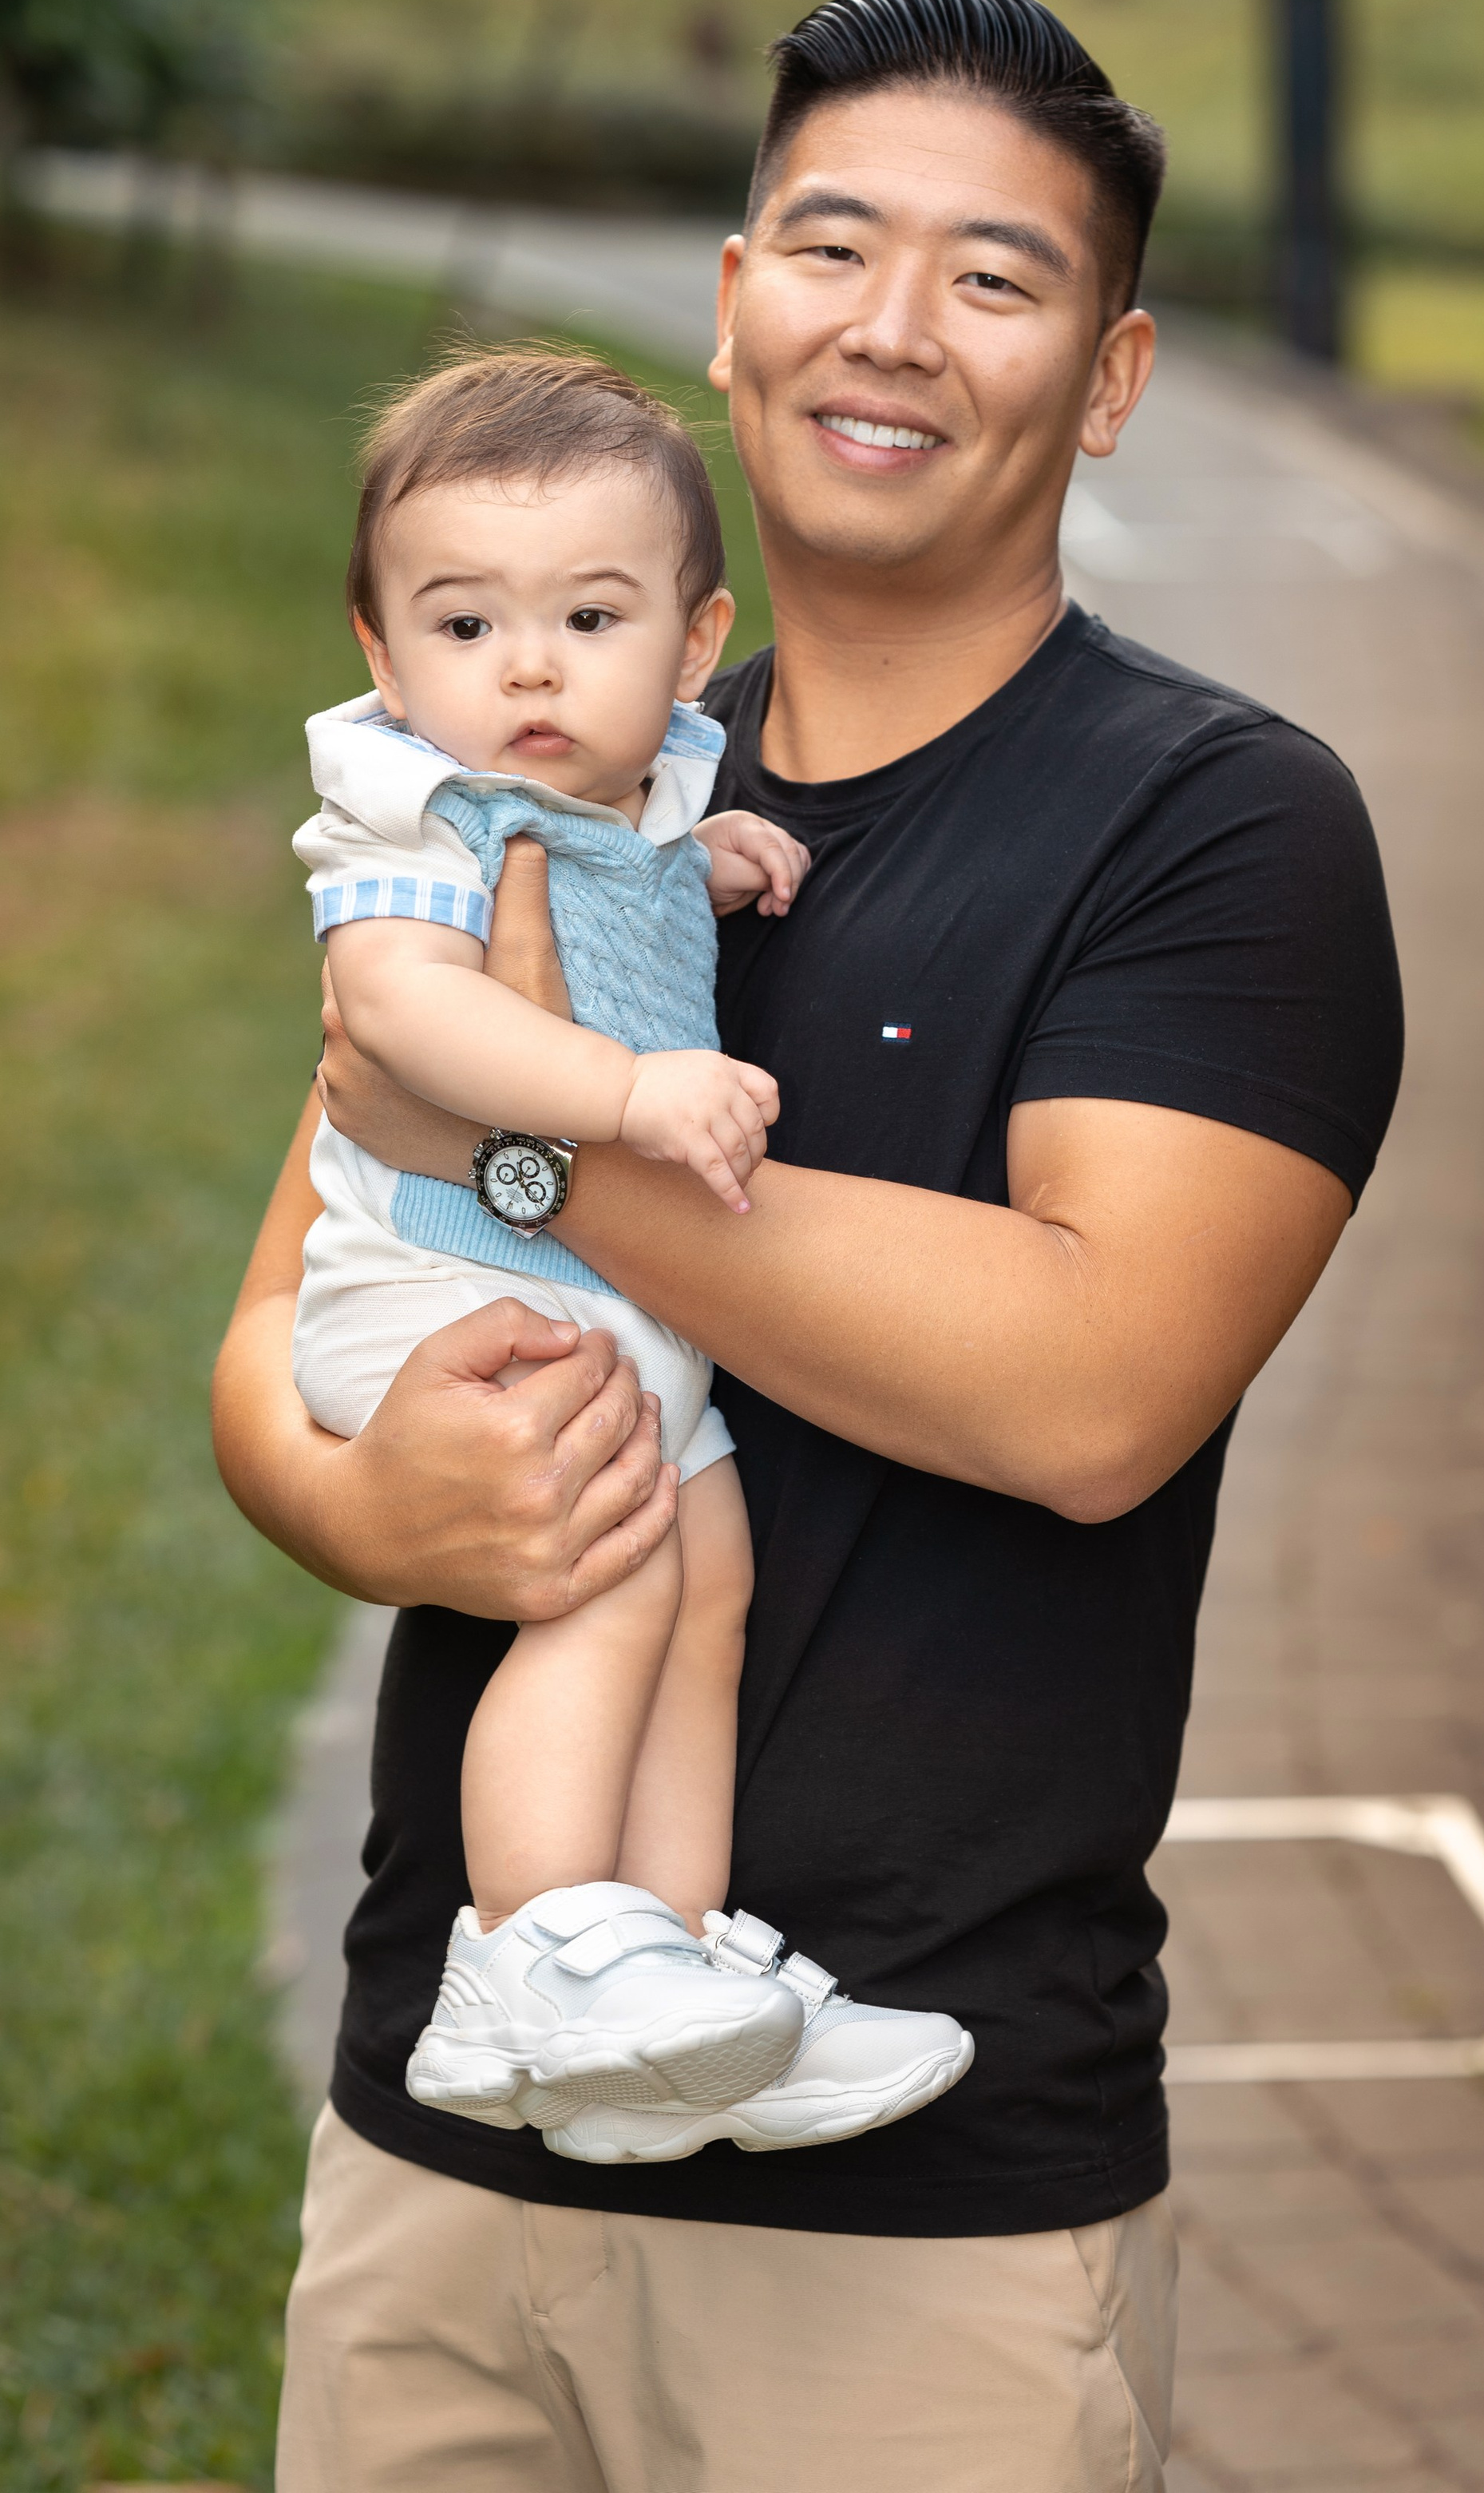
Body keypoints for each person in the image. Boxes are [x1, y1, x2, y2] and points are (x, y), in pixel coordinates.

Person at [214, 0, 1404, 2491]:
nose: (890, 327)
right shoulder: (542, 740)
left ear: (1110, 377)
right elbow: (299, 1272)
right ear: (736, 297)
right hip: (444, 2139)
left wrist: (536, 1159)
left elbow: (1084, 1396)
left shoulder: (1217, 829)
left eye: (994, 278)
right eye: (832, 244)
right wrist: (362, 1503)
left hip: (918, 2211)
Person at [287, 345, 970, 2151]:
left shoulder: (646, 786)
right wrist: (625, 1090)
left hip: (596, 1307)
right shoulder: (413, 808)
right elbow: (404, 1018)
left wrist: (709, 854)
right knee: (612, 1588)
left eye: (588, 617)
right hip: (454, 1294)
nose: (524, 668)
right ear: (377, 652)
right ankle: (529, 1954)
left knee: (706, 1579)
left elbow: (631, 868)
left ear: (690, 639)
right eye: (462, 625)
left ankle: (672, 1984)